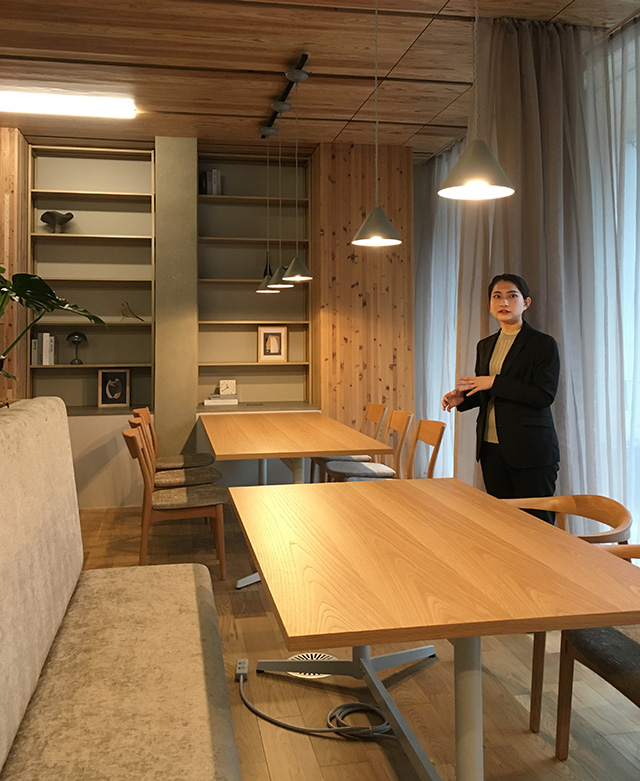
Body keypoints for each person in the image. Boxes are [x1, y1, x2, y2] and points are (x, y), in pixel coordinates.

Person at [442, 273, 560, 524]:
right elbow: (487, 391)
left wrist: (495, 381)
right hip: (491, 448)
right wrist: (463, 398)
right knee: (502, 524)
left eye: (512, 296)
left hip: (531, 451)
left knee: (537, 527)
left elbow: (543, 395)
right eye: (497, 296)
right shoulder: (485, 345)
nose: (503, 302)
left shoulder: (542, 344)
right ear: (489, 304)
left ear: (526, 303)